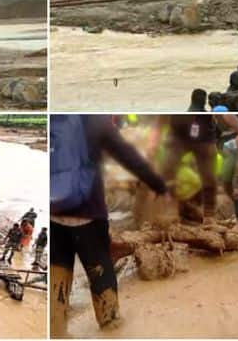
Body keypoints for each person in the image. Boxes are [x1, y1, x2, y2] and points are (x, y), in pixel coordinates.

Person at [50, 115, 167, 334]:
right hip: (88, 213)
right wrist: (157, 184)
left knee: (59, 270)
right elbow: (128, 157)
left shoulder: (53, 120)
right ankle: (110, 323)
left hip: (54, 212)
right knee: (99, 267)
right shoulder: (96, 121)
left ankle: (56, 330)